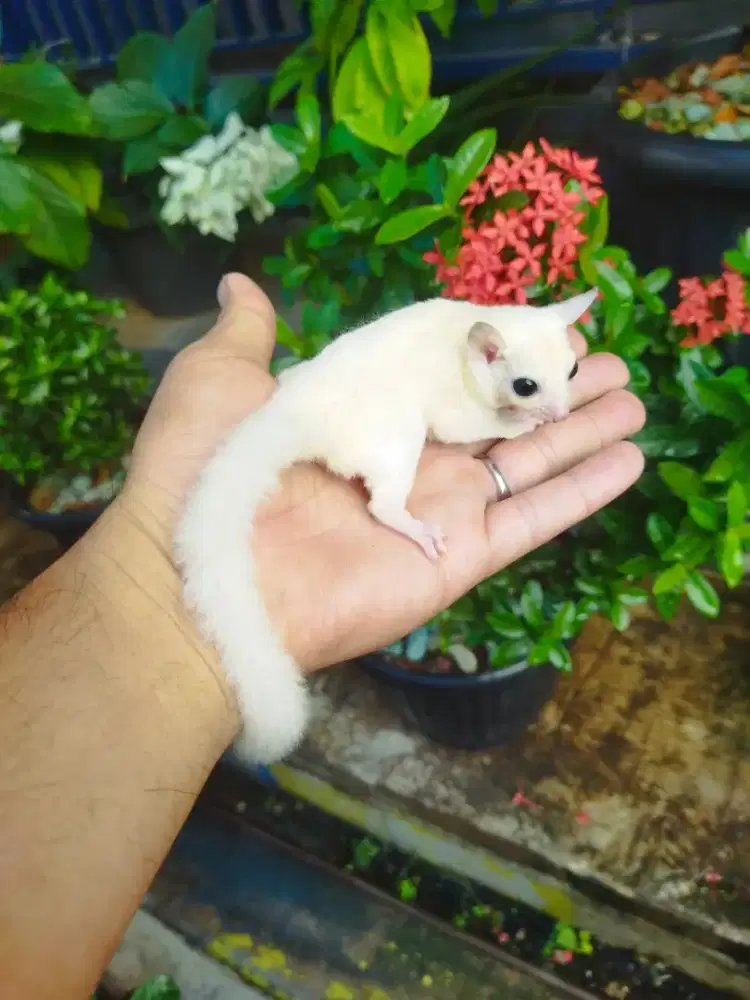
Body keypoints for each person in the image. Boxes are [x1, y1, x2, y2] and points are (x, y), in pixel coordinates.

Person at [0, 274, 645, 998]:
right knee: (397, 425)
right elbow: (455, 423)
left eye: (563, 378)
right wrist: (504, 419)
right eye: (529, 388)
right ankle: (393, 508)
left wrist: (528, 404)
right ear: (490, 354)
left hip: (332, 394)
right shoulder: (475, 348)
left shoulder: (499, 339)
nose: (554, 406)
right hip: (347, 416)